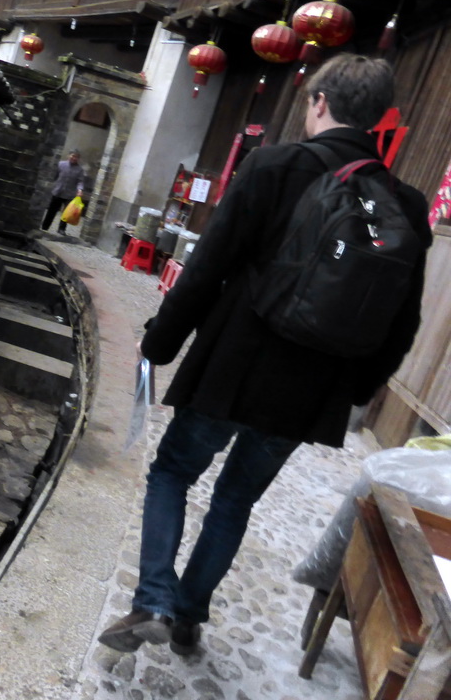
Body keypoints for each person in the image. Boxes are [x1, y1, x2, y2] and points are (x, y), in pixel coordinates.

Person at [98, 54, 432, 657]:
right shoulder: (402, 208)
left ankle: (152, 601)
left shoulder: (276, 165)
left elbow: (208, 267)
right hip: (311, 392)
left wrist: (161, 341)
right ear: (379, 117)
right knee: (234, 500)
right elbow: (402, 321)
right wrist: (354, 392)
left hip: (234, 366)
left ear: (320, 102)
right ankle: (189, 615)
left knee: (173, 473)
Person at [41, 149, 86, 234]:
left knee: (66, 213)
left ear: (78, 159)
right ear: (68, 156)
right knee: (52, 210)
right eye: (73, 156)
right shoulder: (61, 164)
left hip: (70, 194)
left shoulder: (80, 170)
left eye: (76, 157)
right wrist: (52, 185)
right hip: (58, 191)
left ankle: (61, 229)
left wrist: (80, 190)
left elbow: (80, 181)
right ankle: (45, 226)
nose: (74, 158)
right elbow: (55, 175)